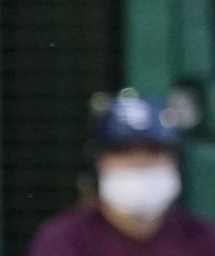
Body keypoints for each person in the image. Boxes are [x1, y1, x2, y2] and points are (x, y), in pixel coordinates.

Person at [28, 88, 215, 256]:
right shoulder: (65, 240)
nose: (140, 162)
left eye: (154, 151)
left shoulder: (203, 239)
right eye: (123, 151)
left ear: (175, 161)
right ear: (98, 163)